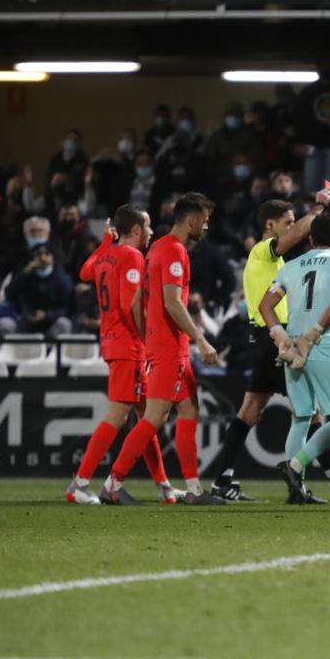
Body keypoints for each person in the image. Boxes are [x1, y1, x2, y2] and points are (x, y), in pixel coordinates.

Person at [211, 192, 330, 502]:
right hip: (280, 341)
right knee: (313, 415)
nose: (296, 228)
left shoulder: (283, 264)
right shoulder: (262, 252)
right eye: (289, 222)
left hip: (270, 339)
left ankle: (223, 481)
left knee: (255, 411)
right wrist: (319, 209)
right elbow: (299, 236)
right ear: (270, 225)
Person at [102, 193, 223, 504]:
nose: (205, 228)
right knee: (154, 416)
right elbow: (171, 301)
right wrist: (200, 337)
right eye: (205, 222)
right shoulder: (174, 251)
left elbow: (137, 301)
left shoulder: (156, 249)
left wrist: (149, 337)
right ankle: (113, 483)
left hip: (164, 343)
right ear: (192, 220)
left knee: (189, 408)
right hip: (172, 346)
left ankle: (194, 489)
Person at [259, 214, 330, 505]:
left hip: (292, 346)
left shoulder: (292, 266)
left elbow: (265, 305)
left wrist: (279, 334)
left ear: (310, 239)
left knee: (300, 417)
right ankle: (296, 466)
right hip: (320, 343)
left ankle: (295, 491)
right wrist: (314, 332)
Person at [66, 206, 177, 505]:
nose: (152, 232)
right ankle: (81, 482)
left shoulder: (107, 254)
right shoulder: (132, 256)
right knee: (117, 416)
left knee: (146, 416)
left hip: (115, 342)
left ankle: (164, 486)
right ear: (137, 230)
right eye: (149, 226)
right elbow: (130, 305)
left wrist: (105, 240)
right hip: (128, 346)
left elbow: (85, 272)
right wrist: (148, 341)